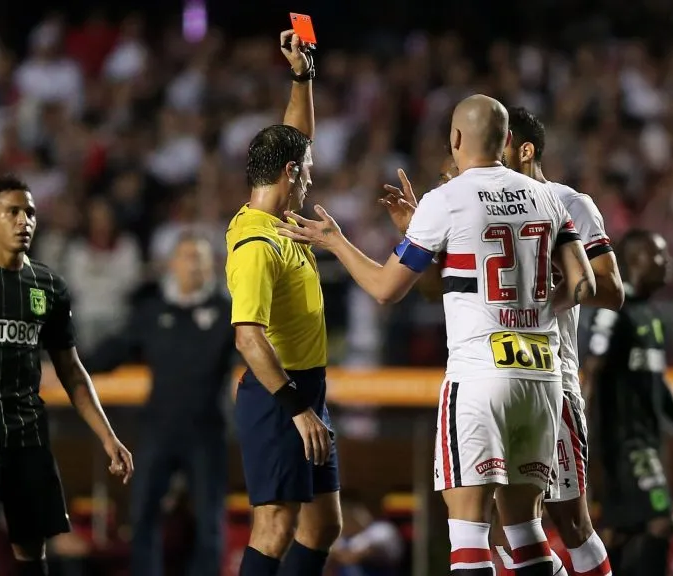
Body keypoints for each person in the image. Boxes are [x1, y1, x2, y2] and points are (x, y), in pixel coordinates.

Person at [276, 93, 596, 576]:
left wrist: (335, 242)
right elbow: (584, 283)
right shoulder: (549, 196)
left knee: (469, 535)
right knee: (527, 532)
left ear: (455, 139)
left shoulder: (444, 200)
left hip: (479, 377)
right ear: (508, 141)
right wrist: (525, 311)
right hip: (543, 377)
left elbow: (386, 289)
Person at [381, 108, 624, 576]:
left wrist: (533, 289)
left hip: (553, 373)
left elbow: (609, 288)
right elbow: (439, 289)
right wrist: (418, 239)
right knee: (511, 528)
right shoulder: (485, 200)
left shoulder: (567, 201)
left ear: (521, 148)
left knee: (568, 521)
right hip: (516, 371)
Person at [0, 175, 134, 576]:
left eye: (30, 213)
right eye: (13, 212)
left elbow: (71, 370)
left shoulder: (49, 286)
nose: (24, 221)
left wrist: (109, 437)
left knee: (31, 546)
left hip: (28, 437)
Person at [224, 28, 341, 576]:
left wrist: (302, 76)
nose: (311, 179)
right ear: (290, 175)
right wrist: (297, 411)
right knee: (274, 528)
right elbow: (247, 334)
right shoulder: (254, 244)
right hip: (283, 397)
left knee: (322, 526)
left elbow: (297, 137)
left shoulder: (280, 220)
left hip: (306, 387)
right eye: (308, 170)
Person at [86, 233, 234, 576]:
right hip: (158, 428)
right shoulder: (153, 312)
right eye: (186, 256)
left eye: (199, 257)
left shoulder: (228, 313)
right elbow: (113, 351)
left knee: (210, 520)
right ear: (172, 263)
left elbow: (256, 352)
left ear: (211, 265)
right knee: (142, 515)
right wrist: (67, 366)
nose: (193, 264)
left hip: (206, 430)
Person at [583, 229, 673, 576]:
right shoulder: (615, 309)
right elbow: (591, 369)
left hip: (647, 442)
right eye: (660, 255)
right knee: (662, 520)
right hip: (624, 443)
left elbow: (661, 383)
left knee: (618, 533)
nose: (667, 262)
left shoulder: (653, 316)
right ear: (636, 260)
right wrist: (578, 427)